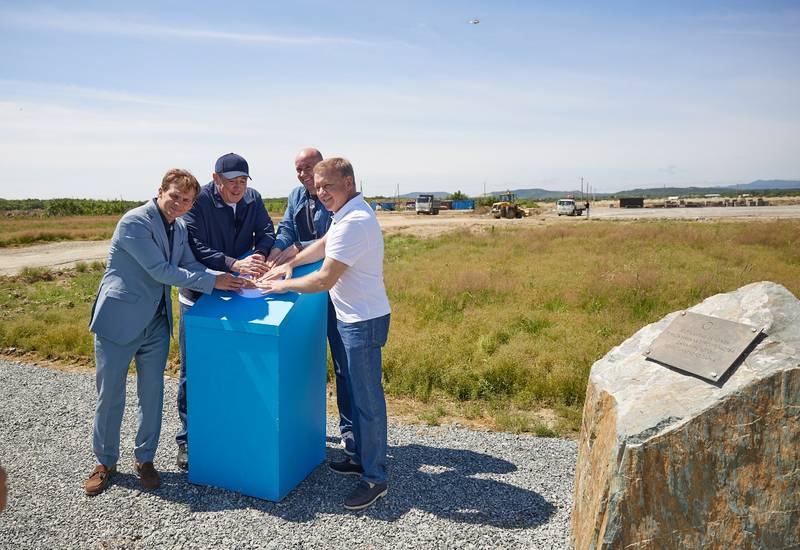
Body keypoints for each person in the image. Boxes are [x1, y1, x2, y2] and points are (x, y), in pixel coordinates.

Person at [85, 169, 245, 496]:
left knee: (152, 394)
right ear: (160, 191)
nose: (179, 204)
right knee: (110, 395)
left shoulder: (181, 228)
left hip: (156, 323)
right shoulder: (134, 223)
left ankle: (145, 460)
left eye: (186, 200)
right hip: (120, 320)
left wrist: (225, 277)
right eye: (174, 196)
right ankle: (105, 463)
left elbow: (192, 266)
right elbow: (162, 270)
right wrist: (211, 282)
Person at [256, 158, 391, 511]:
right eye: (317, 188)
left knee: (367, 400)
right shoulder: (346, 214)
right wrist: (291, 261)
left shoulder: (355, 221)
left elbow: (324, 278)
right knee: (355, 390)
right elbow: (322, 244)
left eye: (327, 186)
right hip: (353, 317)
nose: (321, 193)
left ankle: (375, 478)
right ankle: (361, 457)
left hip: (362, 321)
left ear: (348, 181)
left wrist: (283, 284)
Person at [175, 152, 275, 470]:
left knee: (236, 368)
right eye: (232, 181)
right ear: (216, 179)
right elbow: (193, 245)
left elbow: (268, 232)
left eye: (243, 180)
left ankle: (232, 433)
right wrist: (232, 264)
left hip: (238, 299)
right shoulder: (200, 201)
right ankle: (188, 440)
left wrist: (258, 257)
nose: (238, 187)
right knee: (194, 372)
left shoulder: (253, 199)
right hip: (200, 297)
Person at [267, 148, 353, 457]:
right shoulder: (295, 195)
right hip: (303, 290)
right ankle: (303, 430)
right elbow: (287, 227)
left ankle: (350, 431)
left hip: (333, 286)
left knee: (344, 364)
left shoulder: (335, 198)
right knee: (301, 360)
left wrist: (296, 250)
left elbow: (331, 239)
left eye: (309, 168)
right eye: (299, 169)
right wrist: (277, 251)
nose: (304, 174)